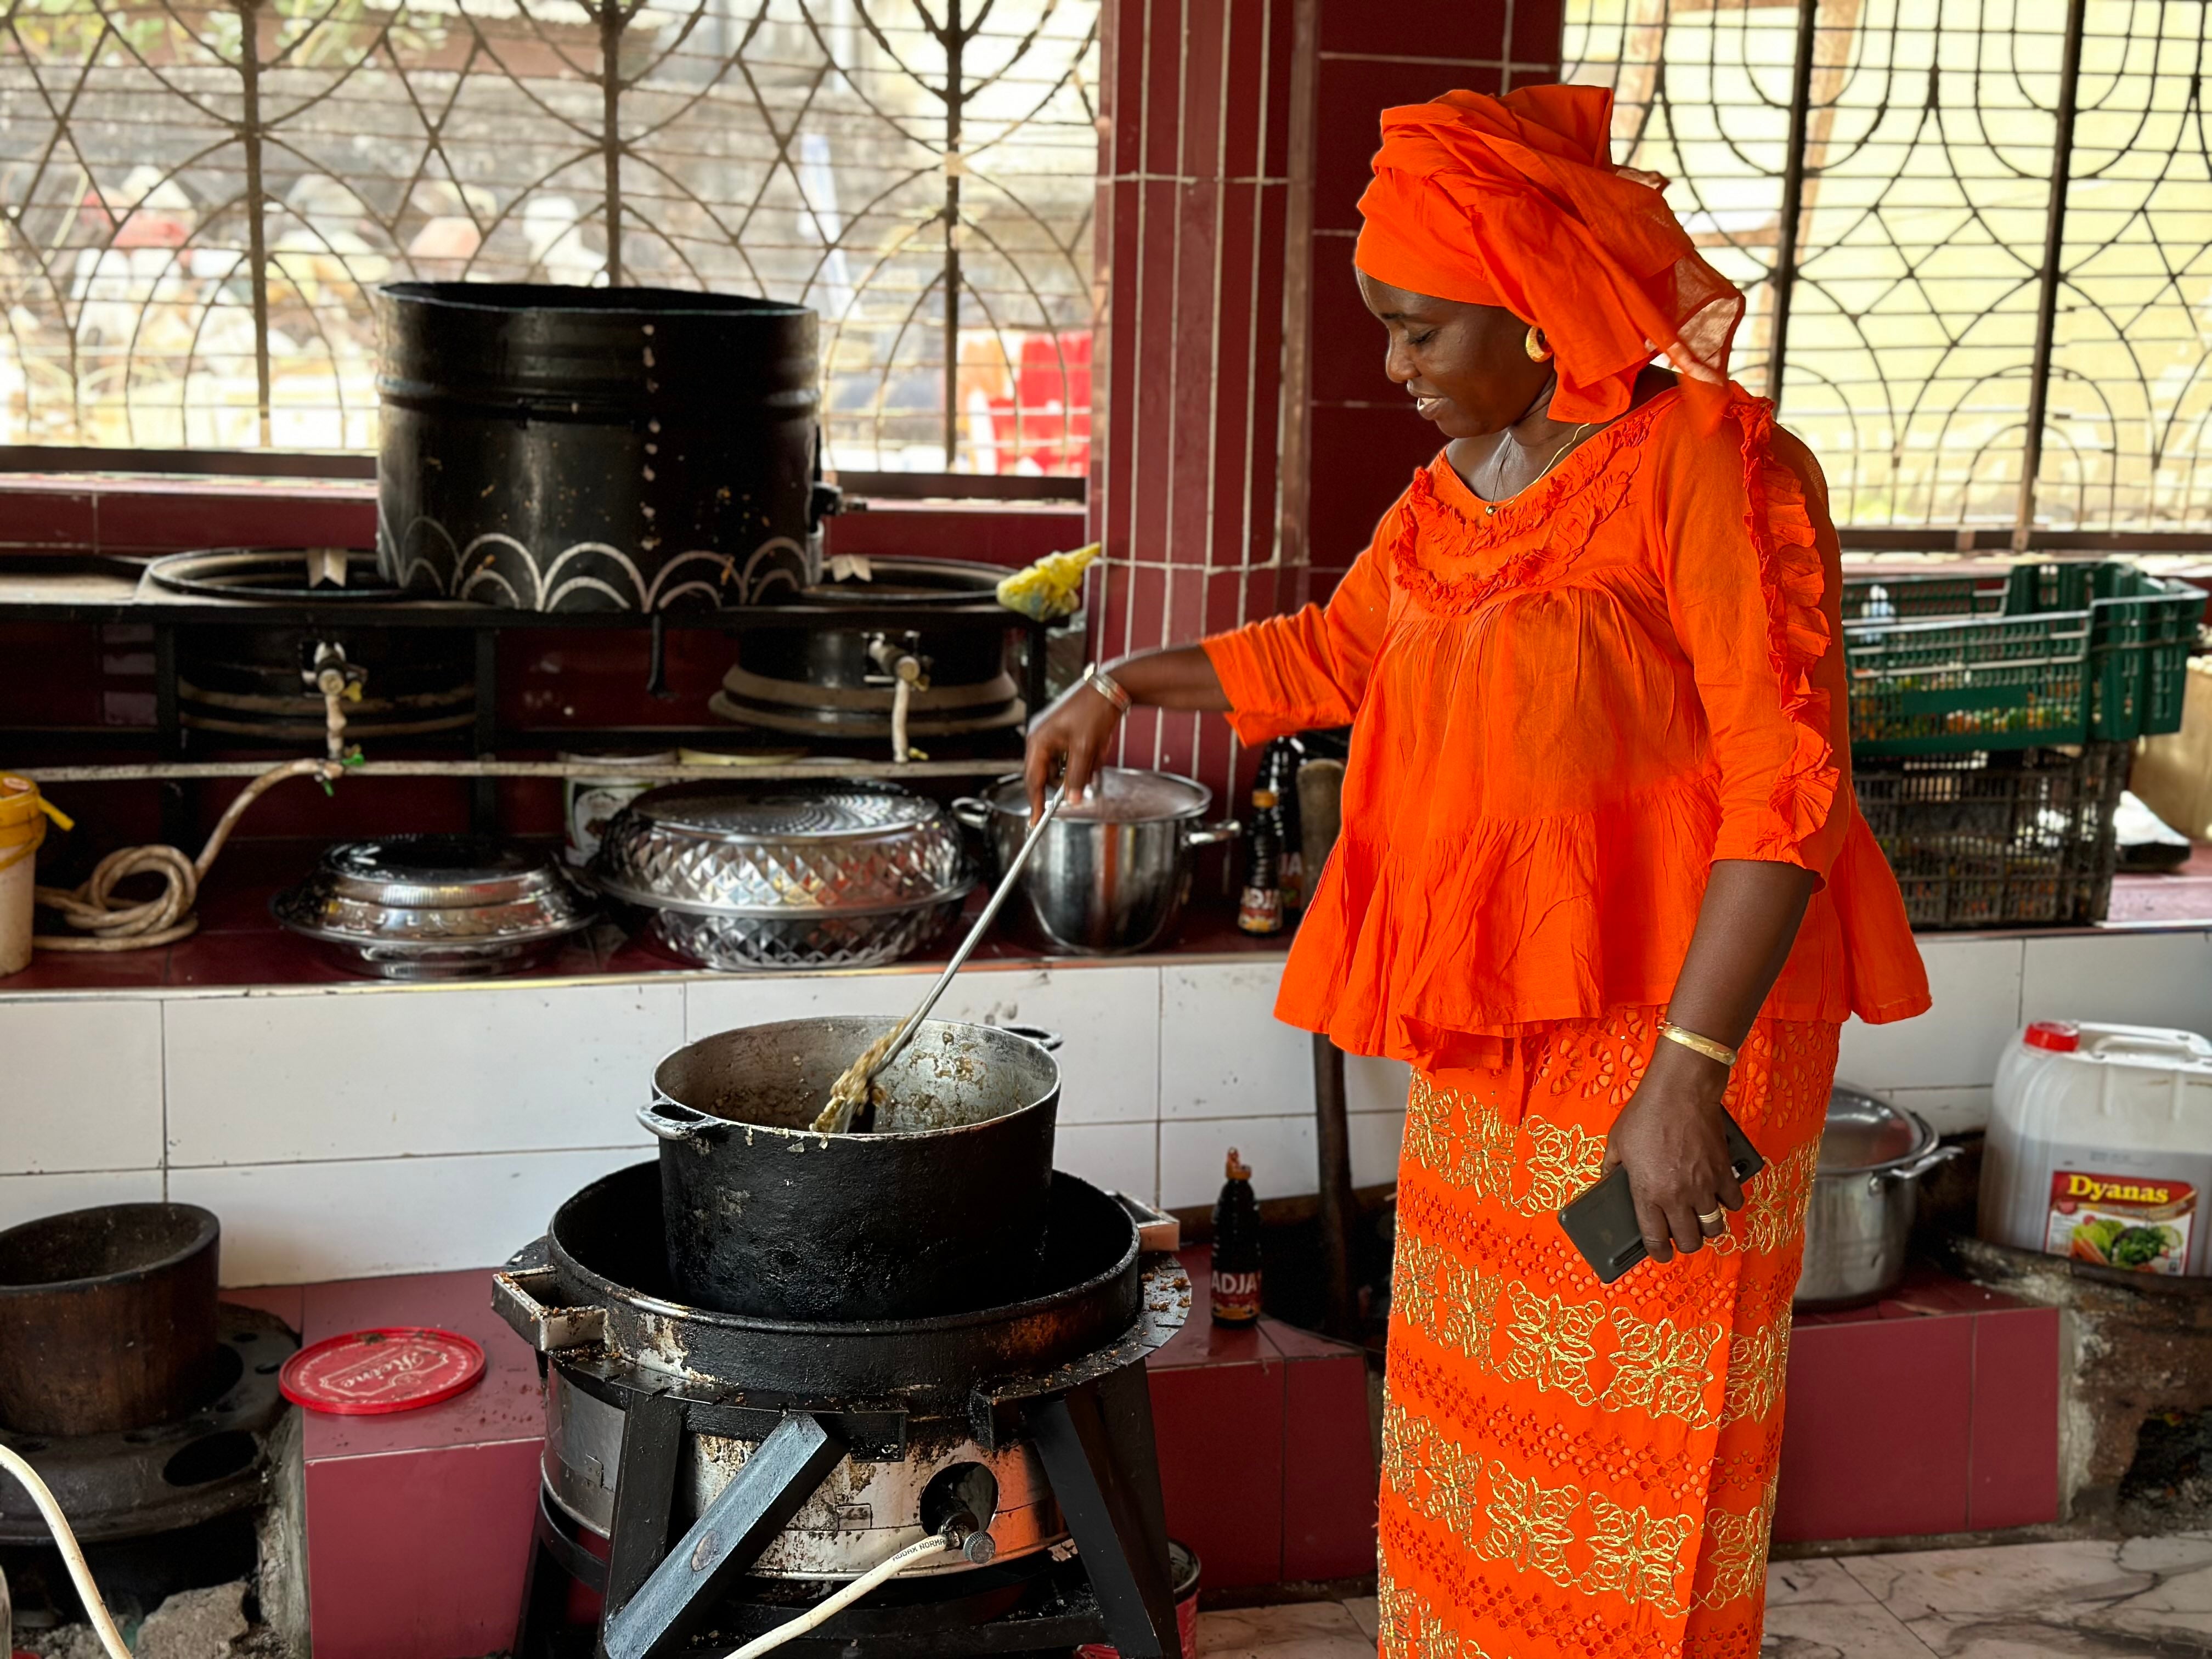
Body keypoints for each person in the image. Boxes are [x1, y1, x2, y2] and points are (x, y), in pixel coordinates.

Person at [1024, 83, 1931, 1659]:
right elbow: (1332, 650)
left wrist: (1685, 1076)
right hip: (1502, 1032)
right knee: (1474, 1442)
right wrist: (1117, 685)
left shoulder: (1712, 468)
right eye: (1382, 325)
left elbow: (1790, 780)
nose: (1394, 367)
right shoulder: (1456, 499)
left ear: (1540, 309)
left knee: (1641, 1454)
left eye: (1421, 330)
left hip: (1679, 1037)